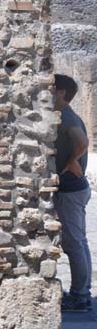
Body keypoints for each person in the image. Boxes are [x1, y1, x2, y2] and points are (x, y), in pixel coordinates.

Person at [53, 73, 92, 312]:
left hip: (70, 191)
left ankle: (79, 297)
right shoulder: (66, 115)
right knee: (80, 242)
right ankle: (83, 292)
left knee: (74, 244)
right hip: (75, 190)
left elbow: (83, 142)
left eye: (51, 88)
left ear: (62, 92)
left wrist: (71, 161)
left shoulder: (66, 117)